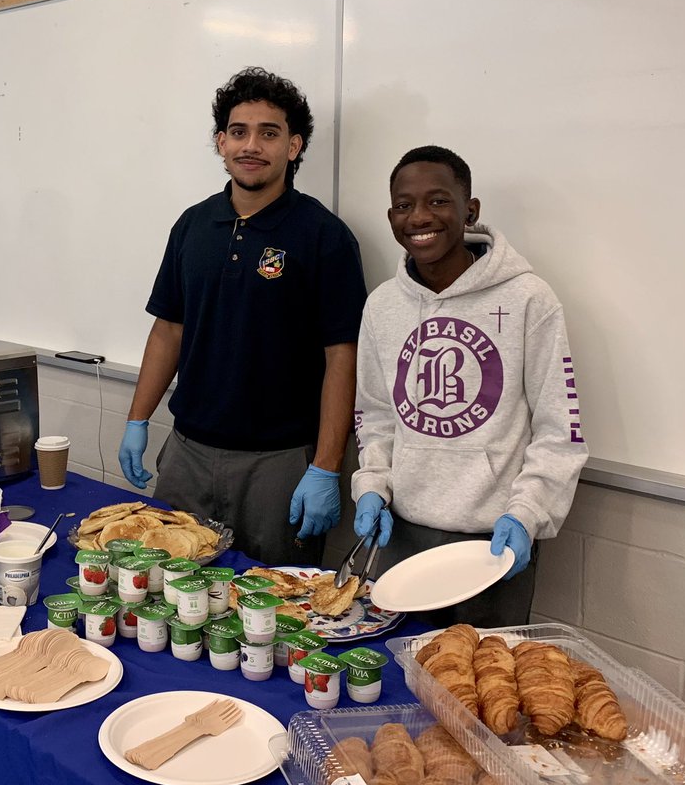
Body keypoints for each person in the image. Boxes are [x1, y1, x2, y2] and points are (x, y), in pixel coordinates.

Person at [118, 67, 368, 566]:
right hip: (187, 452)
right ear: (221, 142)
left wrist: (326, 466)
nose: (251, 145)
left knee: (275, 602)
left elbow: (343, 357)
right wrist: (137, 418)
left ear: (293, 146)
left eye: (268, 133)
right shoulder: (192, 225)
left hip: (280, 464)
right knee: (168, 591)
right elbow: (168, 330)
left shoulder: (325, 236)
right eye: (238, 132)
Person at [351, 145, 588, 627]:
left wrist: (526, 514)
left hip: (492, 543)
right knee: (400, 665)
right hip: (404, 536)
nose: (420, 216)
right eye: (404, 205)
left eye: (438, 201)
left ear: (470, 210)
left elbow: (558, 429)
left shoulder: (528, 299)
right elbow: (376, 415)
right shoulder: (383, 305)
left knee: (479, 671)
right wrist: (372, 485)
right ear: (391, 217)